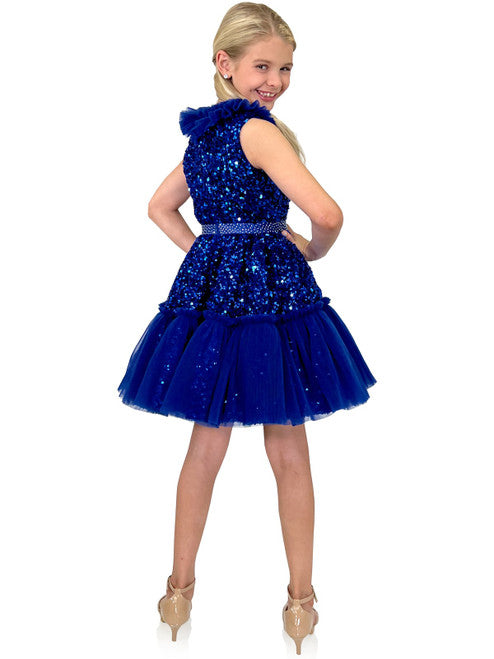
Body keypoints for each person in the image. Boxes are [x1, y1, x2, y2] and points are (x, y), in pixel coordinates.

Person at [117, 1, 376, 653]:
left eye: (285, 69)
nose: (275, 81)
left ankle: (177, 592)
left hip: (216, 297)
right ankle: (300, 604)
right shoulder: (259, 132)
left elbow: (159, 207)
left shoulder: (204, 138)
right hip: (271, 297)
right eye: (263, 66)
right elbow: (328, 213)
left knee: (206, 446)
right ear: (225, 63)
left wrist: (208, 252)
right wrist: (311, 249)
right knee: (288, 450)